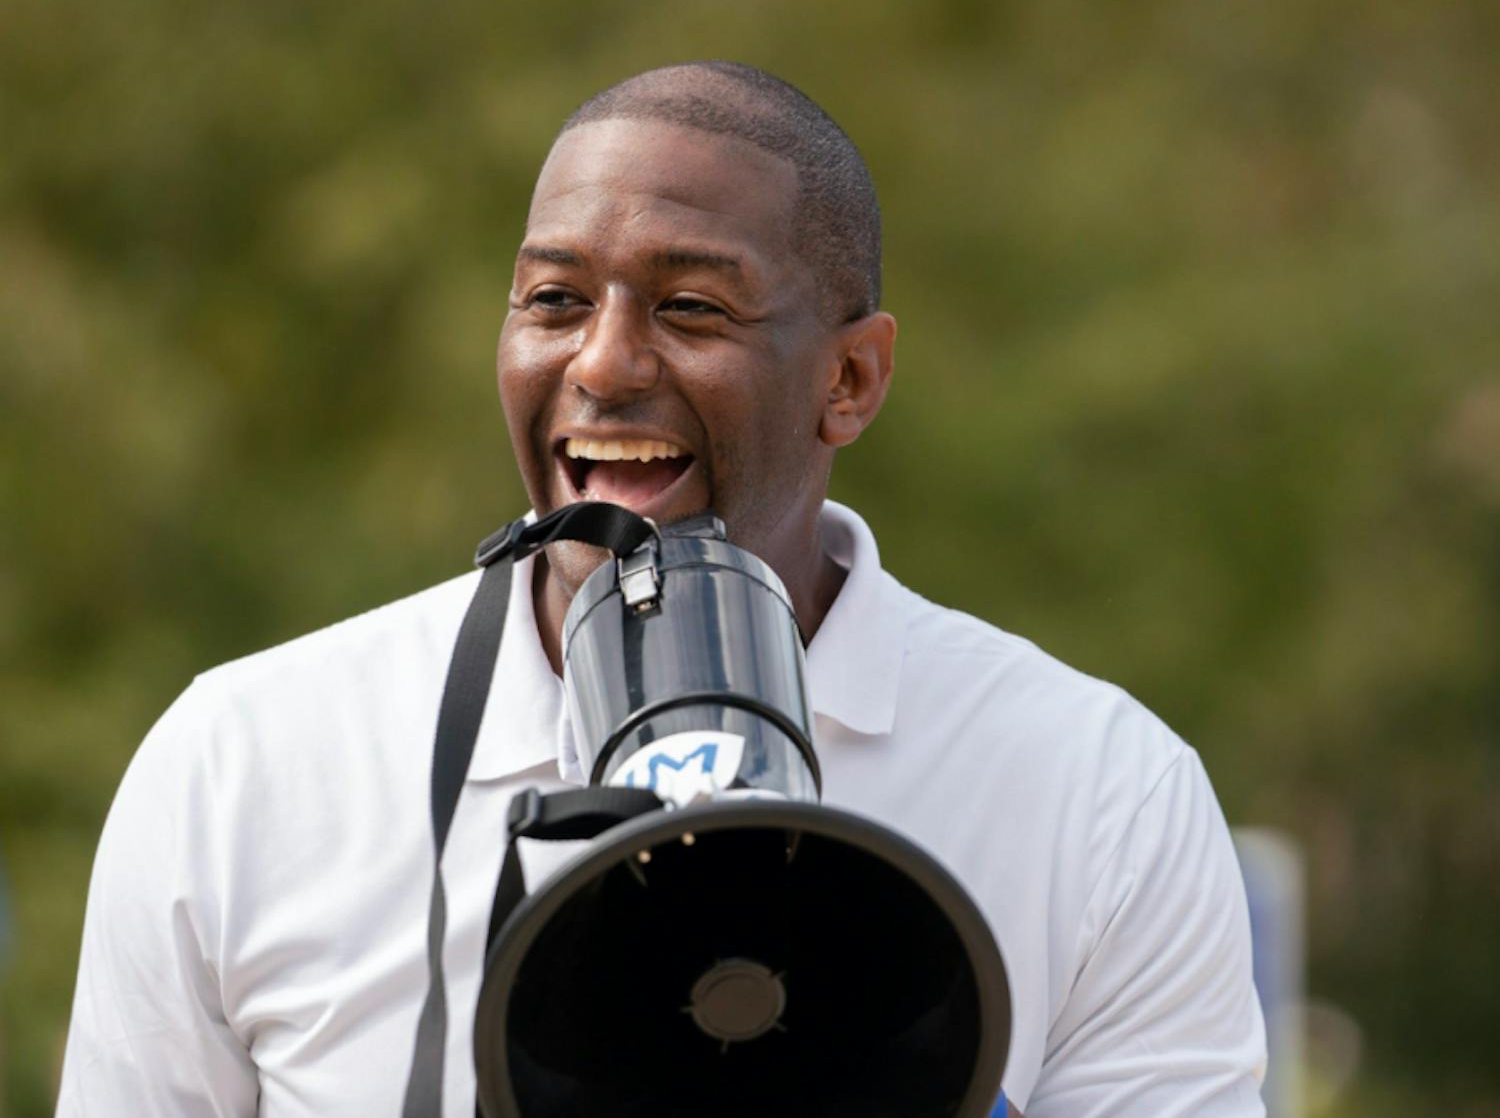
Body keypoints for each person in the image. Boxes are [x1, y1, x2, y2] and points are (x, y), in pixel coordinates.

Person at [58, 62, 1266, 1116]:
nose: (604, 361)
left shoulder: (1101, 789)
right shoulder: (243, 761)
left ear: (850, 378)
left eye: (691, 307)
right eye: (555, 301)